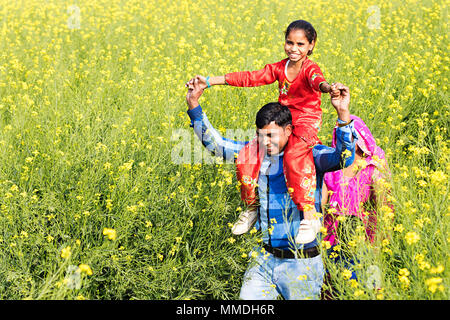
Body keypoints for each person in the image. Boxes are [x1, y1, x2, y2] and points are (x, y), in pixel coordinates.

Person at [185, 78, 357, 300]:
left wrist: (343, 114)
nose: (265, 142)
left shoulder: (310, 155)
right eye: (260, 135)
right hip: (264, 259)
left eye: (271, 136)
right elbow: (217, 145)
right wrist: (193, 104)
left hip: (301, 263)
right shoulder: (254, 155)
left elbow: (343, 158)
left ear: (288, 130)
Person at [186, 20, 334, 243]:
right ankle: (252, 207)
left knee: (294, 157)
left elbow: (317, 81)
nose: (294, 49)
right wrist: (209, 81)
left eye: (301, 44)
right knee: (246, 156)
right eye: (289, 42)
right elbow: (251, 78)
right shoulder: (279, 68)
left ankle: (309, 215)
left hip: (304, 122)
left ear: (311, 45)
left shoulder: (309, 69)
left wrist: (329, 89)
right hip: (284, 118)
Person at [320, 115, 391, 298]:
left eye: (348, 136)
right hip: (332, 243)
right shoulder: (331, 171)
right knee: (331, 291)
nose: (343, 140)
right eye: (340, 135)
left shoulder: (372, 171)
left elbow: (384, 211)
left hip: (365, 246)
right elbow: (319, 206)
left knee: (369, 292)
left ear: (359, 140)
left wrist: (378, 246)